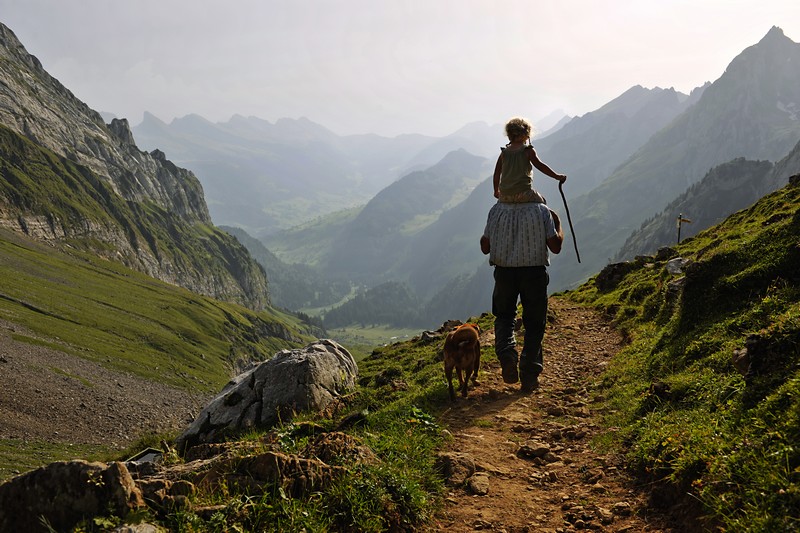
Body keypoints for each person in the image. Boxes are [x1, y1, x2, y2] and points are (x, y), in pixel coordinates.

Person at [479, 200, 564, 392]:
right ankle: (529, 376)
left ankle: (507, 354)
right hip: (534, 273)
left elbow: (485, 247)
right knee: (534, 323)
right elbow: (556, 247)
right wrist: (557, 223)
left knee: (504, 316)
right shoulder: (542, 210)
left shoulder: (496, 209)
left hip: (504, 272)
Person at [493, 117, 567, 203]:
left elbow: (497, 172)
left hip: (505, 195)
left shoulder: (504, 153)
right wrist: (557, 176)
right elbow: (540, 166)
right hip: (524, 193)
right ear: (526, 134)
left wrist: (496, 190)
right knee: (543, 203)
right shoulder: (528, 150)